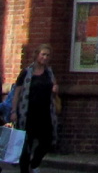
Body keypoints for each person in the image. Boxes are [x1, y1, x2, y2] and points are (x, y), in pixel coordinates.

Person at [9, 44, 60, 172]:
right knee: (26, 144)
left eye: (47, 55)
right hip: (27, 113)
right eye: (43, 54)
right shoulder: (26, 72)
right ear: (37, 55)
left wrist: (55, 90)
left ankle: (35, 162)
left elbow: (53, 91)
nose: (45, 57)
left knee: (47, 141)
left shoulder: (49, 72)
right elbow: (17, 93)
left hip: (45, 113)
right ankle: (24, 170)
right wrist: (14, 111)